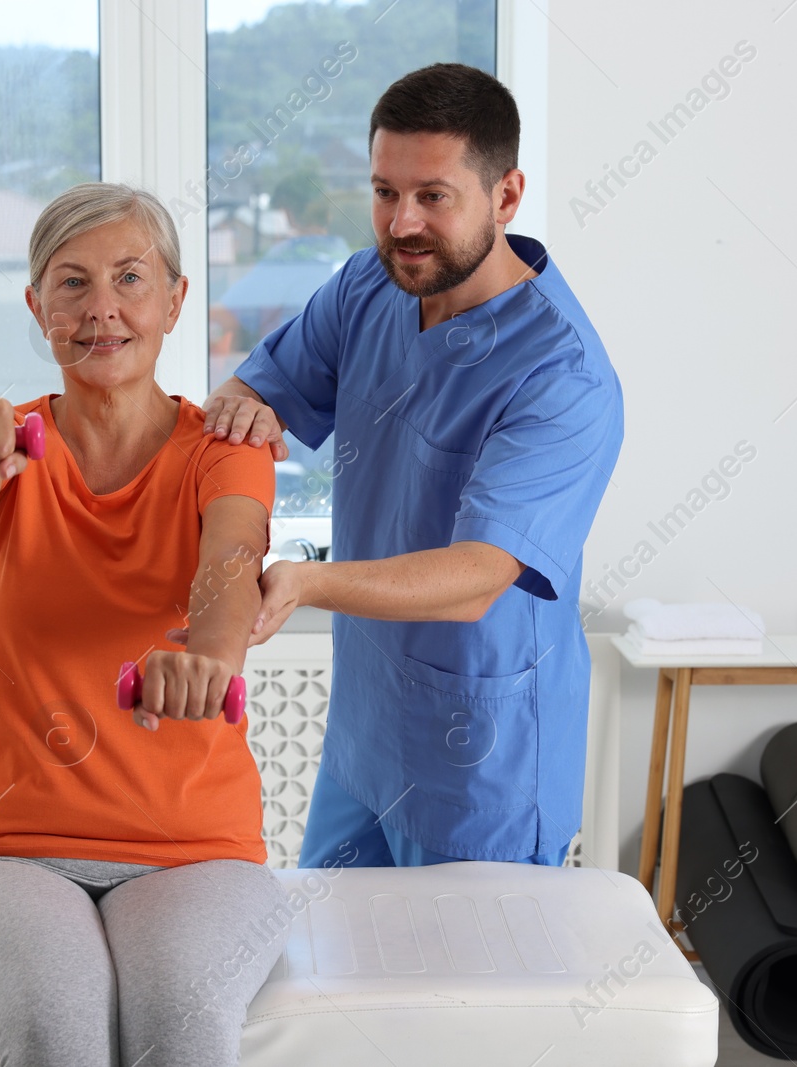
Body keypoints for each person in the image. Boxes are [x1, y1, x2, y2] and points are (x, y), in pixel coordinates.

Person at [201, 64, 624, 869]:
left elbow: (476, 577)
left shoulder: (562, 376)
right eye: (383, 192)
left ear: (506, 196)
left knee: (458, 991)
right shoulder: (371, 286)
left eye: (433, 195)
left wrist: (305, 580)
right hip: (365, 735)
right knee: (328, 976)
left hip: (482, 763)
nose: (401, 224)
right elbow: (249, 397)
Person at [0, 182, 287, 1067]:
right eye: (72, 284)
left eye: (129, 277)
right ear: (37, 306)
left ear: (174, 301)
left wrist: (208, 657)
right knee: (57, 1026)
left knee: (185, 1021)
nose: (102, 309)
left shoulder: (225, 448)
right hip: (4, 852)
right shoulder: (7, 444)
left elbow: (231, 560)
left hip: (197, 850)